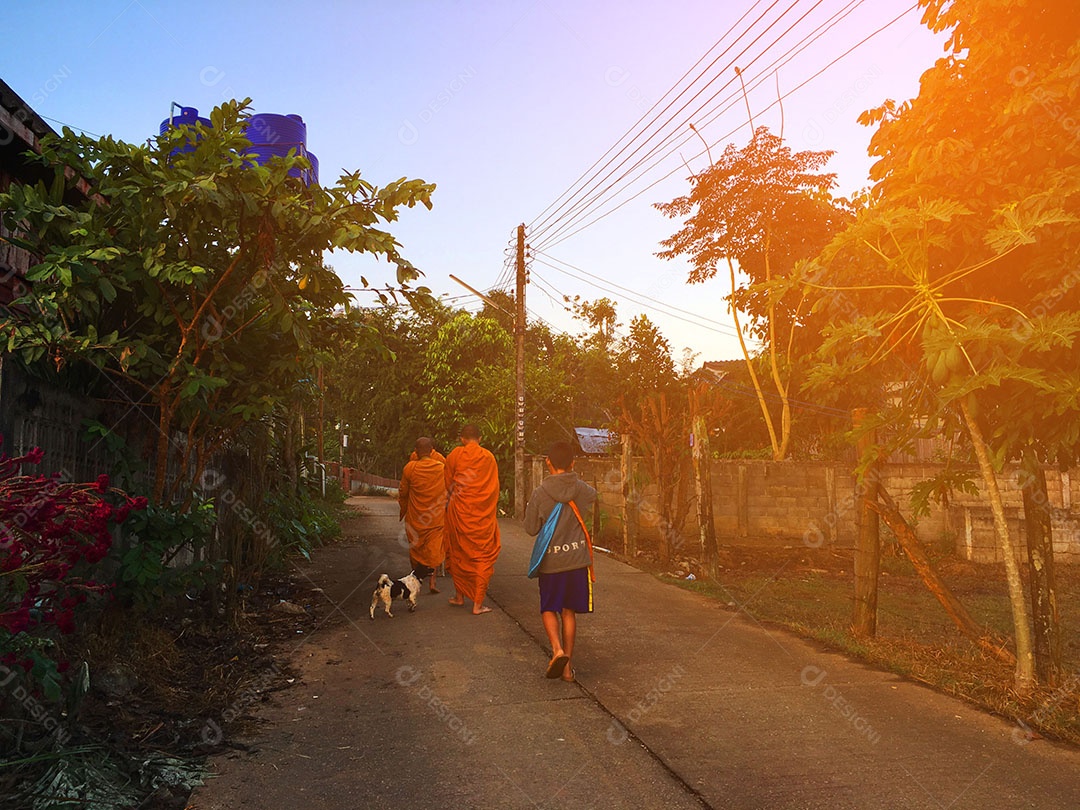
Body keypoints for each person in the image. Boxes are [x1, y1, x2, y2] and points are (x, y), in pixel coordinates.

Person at [524, 440, 597, 682]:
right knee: (568, 613)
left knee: (548, 608)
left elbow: (531, 528)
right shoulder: (583, 489)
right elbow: (592, 498)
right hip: (577, 560)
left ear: (547, 463)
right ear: (573, 463)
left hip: (551, 562)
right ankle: (567, 669)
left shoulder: (540, 492)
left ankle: (557, 650)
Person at [444, 424, 501, 615]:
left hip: (459, 513)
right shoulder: (488, 457)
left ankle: (459, 597)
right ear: (480, 437)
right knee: (481, 556)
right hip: (482, 516)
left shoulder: (454, 455)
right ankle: (477, 604)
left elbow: (448, 484)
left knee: (459, 553)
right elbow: (493, 488)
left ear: (461, 438)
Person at [398, 437, 447, 593]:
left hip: (416, 518)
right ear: (432, 450)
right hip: (436, 517)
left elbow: (403, 492)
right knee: (434, 550)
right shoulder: (442, 467)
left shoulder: (410, 468)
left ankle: (416, 580)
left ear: (416, 451)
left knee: (416, 548)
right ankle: (433, 582)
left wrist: (403, 508)